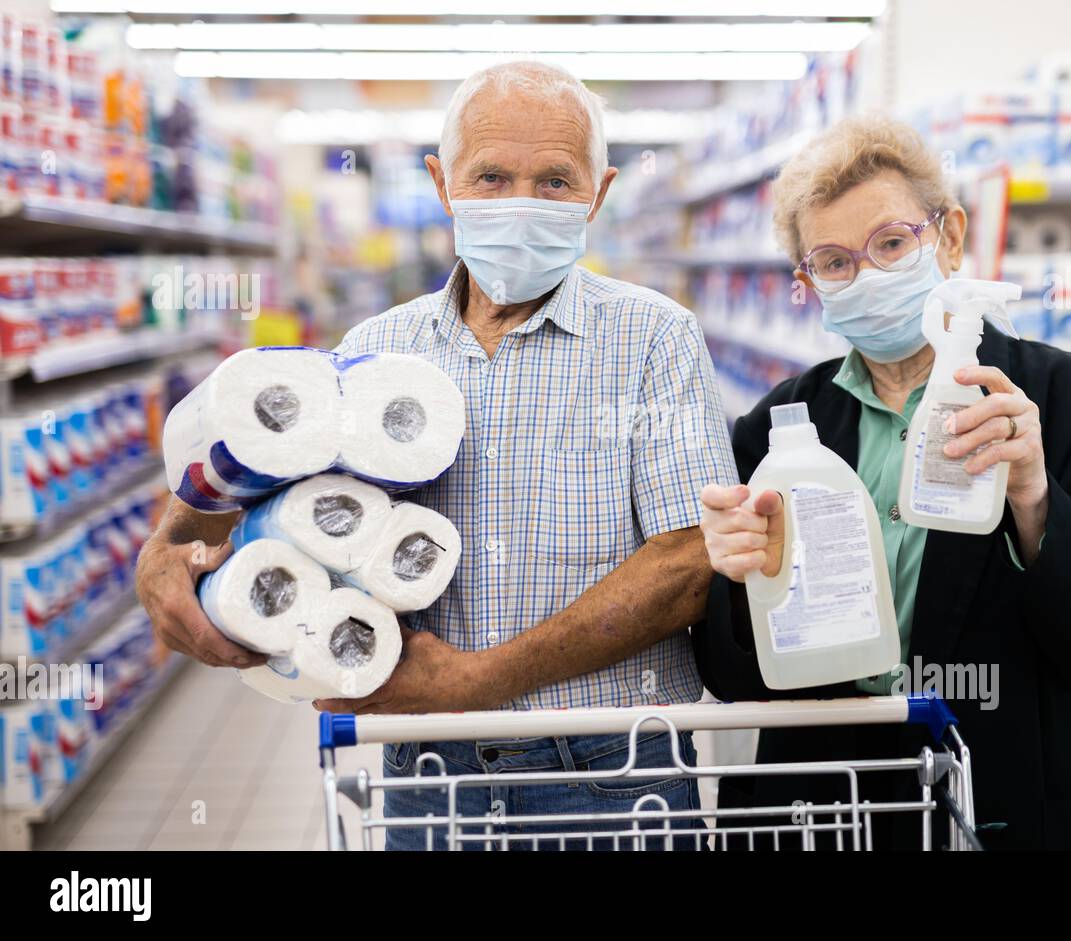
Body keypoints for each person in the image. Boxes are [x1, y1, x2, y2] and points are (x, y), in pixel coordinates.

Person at [135, 60, 738, 850]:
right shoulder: (375, 349)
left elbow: (687, 563)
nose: (520, 202)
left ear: (601, 190)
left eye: (554, 181)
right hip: (426, 773)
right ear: (440, 182)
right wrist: (164, 552)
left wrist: (478, 680)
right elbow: (268, 498)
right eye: (490, 176)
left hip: (610, 769)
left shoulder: (656, 339)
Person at [692, 115, 1071, 850]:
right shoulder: (776, 426)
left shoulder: (1070, 401)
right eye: (835, 261)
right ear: (806, 283)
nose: (869, 275)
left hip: (998, 796)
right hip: (818, 809)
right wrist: (732, 578)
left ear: (947, 235)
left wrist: (1034, 497)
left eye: (890, 243)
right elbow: (730, 673)